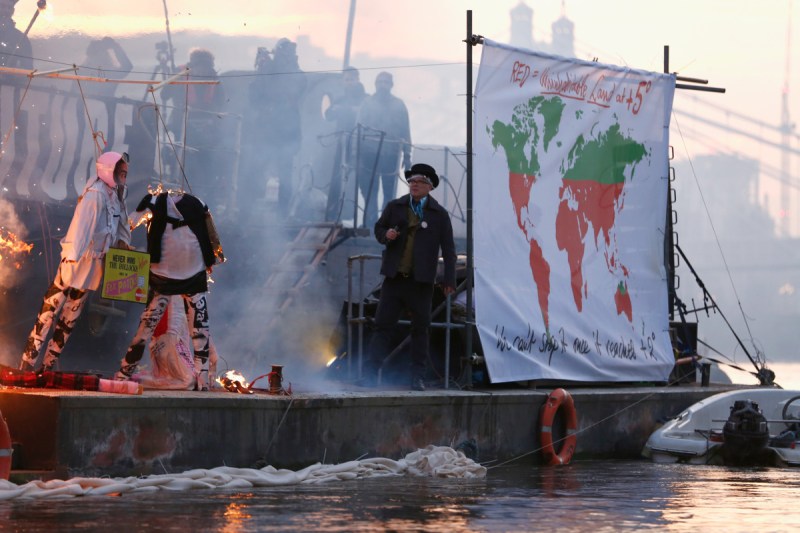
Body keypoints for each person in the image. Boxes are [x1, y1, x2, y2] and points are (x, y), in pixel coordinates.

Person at [19, 151, 131, 371]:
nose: (124, 176)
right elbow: (82, 228)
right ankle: (28, 362)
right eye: (121, 172)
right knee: (50, 310)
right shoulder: (95, 194)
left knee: (70, 317)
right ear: (110, 171)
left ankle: (48, 365)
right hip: (75, 261)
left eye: (126, 173)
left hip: (92, 266)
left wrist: (124, 243)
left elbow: (120, 224)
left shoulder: (115, 194)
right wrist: (71, 259)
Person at [115, 190, 220, 390]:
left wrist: (122, 242)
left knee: (147, 327)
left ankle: (123, 375)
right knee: (199, 331)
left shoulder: (154, 201)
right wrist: (212, 259)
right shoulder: (198, 202)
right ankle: (202, 384)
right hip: (187, 272)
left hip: (167, 273)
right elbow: (212, 234)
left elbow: (128, 224)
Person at [365, 163, 456, 391]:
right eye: (412, 181)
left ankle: (417, 378)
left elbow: (449, 250)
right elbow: (378, 229)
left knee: (420, 330)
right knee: (382, 326)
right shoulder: (395, 207)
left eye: (420, 181)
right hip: (395, 279)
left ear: (429, 186)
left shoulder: (439, 215)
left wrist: (449, 280)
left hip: (421, 282)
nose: (414, 184)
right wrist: (386, 234)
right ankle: (368, 374)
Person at [355, 71, 412, 229]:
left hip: (391, 154)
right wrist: (356, 155)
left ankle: (386, 224)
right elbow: (358, 130)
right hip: (369, 154)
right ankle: (369, 222)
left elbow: (405, 131)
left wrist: (407, 156)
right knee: (370, 191)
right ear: (375, 84)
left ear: (391, 85)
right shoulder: (367, 103)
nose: (383, 85)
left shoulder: (399, 105)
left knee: (389, 192)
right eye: (380, 82)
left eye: (386, 82)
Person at [324, 66, 366, 220]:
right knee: (337, 178)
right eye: (346, 79)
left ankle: (364, 219)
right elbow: (328, 115)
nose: (349, 82)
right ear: (343, 81)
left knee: (362, 181)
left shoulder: (365, 98)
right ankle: (334, 215)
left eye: (352, 79)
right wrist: (336, 109)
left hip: (360, 145)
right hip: (342, 145)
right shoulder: (340, 98)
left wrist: (345, 109)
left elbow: (366, 114)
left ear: (358, 79)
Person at [0, 0, 32, 71]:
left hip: (9, 81)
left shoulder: (21, 39)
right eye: (2, 6)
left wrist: (8, 76)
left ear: (13, 11)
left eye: (9, 7)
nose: (6, 10)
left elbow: (27, 70)